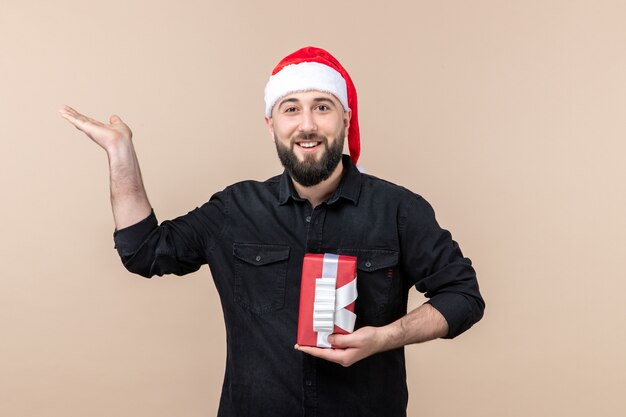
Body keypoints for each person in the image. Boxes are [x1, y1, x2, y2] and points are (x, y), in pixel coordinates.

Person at [60, 46, 485, 417]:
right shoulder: (234, 209)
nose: (307, 125)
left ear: (346, 119)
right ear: (271, 124)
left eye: (322, 106)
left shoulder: (399, 210)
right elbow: (143, 252)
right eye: (291, 108)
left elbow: (463, 297)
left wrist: (384, 338)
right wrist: (120, 153)